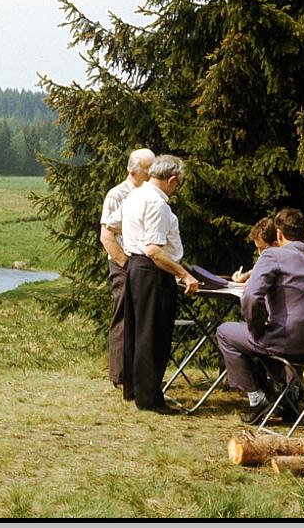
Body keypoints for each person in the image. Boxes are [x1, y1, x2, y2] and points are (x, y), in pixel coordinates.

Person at [215, 208, 304, 424]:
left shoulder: (272, 255)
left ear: (279, 235)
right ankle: (289, 397)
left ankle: (257, 398)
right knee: (284, 334)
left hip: (286, 340)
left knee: (225, 332)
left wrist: (256, 328)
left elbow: (251, 298)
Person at [111, 154, 199, 414]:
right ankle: (150, 399)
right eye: (177, 183)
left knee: (137, 332)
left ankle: (135, 390)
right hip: (153, 271)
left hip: (135, 268)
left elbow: (110, 226)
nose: (176, 188)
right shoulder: (158, 204)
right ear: (172, 179)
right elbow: (154, 250)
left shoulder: (134, 195)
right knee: (154, 335)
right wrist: (183, 274)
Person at [98, 148, 156, 388]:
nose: (152, 173)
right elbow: (106, 236)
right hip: (125, 264)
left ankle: (139, 373)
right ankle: (120, 375)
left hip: (144, 264)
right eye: (148, 170)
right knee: (123, 317)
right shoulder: (117, 195)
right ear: (133, 171)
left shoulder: (150, 193)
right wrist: (126, 265)